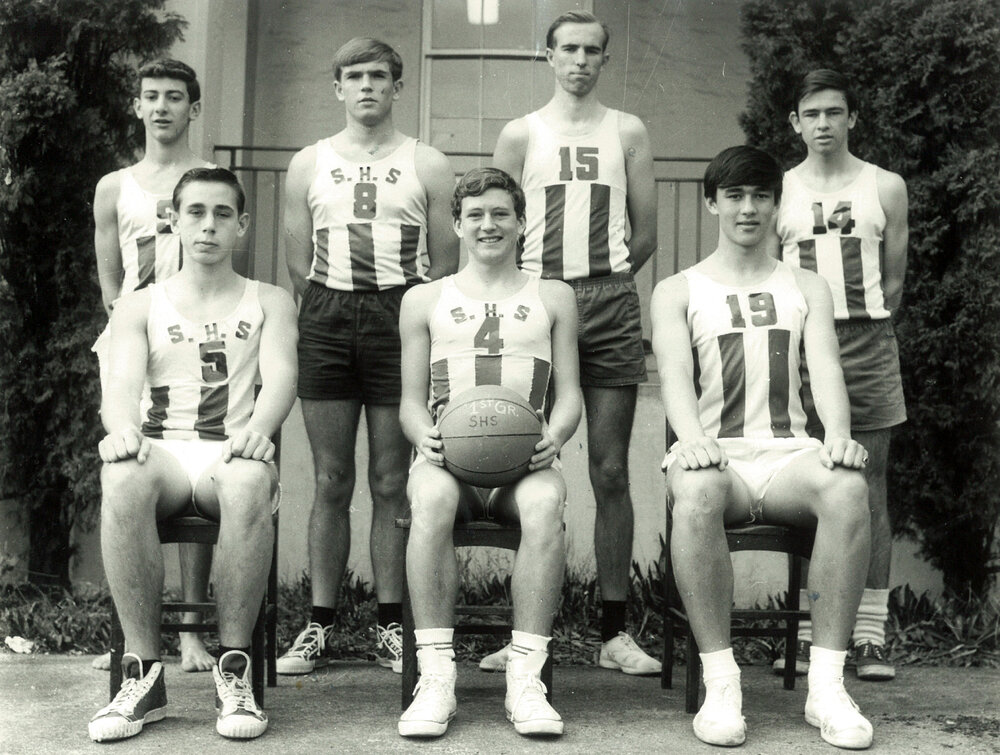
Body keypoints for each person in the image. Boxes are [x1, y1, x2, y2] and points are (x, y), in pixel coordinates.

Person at [651, 146, 873, 749]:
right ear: (712, 202)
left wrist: (840, 437)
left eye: (761, 196)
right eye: (735, 196)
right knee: (694, 491)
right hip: (716, 456)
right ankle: (723, 684)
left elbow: (826, 370)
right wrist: (691, 440)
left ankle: (825, 688)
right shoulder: (678, 288)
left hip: (787, 459)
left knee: (848, 486)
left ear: (778, 202)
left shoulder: (807, 285)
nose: (748, 208)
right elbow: (673, 376)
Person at [88, 167, 298, 742]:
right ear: (173, 221)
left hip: (226, 450)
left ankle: (234, 673)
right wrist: (121, 430)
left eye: (222, 214)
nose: (208, 226)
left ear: (242, 224)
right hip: (164, 452)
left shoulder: (271, 300)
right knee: (122, 479)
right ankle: (143, 674)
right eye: (196, 213)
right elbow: (119, 389)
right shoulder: (139, 304)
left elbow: (281, 379)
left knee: (250, 482)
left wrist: (260, 429)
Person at [489, 10, 660, 675]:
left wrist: (599, 284)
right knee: (517, 456)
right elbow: (498, 222)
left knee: (611, 468)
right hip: (534, 301)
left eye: (593, 50)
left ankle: (613, 631)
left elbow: (643, 234)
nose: (581, 60)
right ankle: (523, 629)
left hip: (609, 299)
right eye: (569, 49)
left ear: (604, 59)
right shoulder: (520, 133)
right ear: (548, 56)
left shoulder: (628, 130)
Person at [281, 37, 458, 676]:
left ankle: (390, 623)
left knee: (390, 481)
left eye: (378, 76)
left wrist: (405, 311)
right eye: (353, 76)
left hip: (399, 314)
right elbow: (299, 262)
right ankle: (319, 625)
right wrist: (334, 304)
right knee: (331, 479)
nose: (365, 87)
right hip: (328, 315)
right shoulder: (309, 162)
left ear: (396, 86)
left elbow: (444, 263)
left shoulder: (428, 162)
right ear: (337, 87)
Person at [396, 167, 581, 738]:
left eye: (501, 213)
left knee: (548, 506)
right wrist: (421, 434)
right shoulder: (424, 298)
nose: (488, 224)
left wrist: (558, 435)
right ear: (456, 224)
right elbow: (408, 401)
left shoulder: (554, 295)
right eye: (475, 215)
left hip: (524, 463)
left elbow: (570, 394)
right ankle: (436, 678)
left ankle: (525, 679)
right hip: (448, 460)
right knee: (427, 500)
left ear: (522, 222)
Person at [773, 69, 908, 682]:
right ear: (795, 123)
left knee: (870, 486)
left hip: (867, 339)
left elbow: (896, 276)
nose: (823, 124)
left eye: (835, 112)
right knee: (810, 483)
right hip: (801, 348)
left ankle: (872, 635)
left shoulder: (886, 185)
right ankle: (809, 630)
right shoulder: (779, 190)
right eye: (812, 114)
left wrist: (862, 329)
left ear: (853, 117)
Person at [92, 58, 224, 674]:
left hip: (198, 347)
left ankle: (194, 631)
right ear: (137, 106)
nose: (163, 106)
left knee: (195, 471)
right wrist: (128, 334)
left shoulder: (213, 178)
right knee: (128, 472)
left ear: (193, 108)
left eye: (176, 96)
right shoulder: (115, 186)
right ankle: (130, 638)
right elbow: (111, 280)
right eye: (152, 96)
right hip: (134, 345)